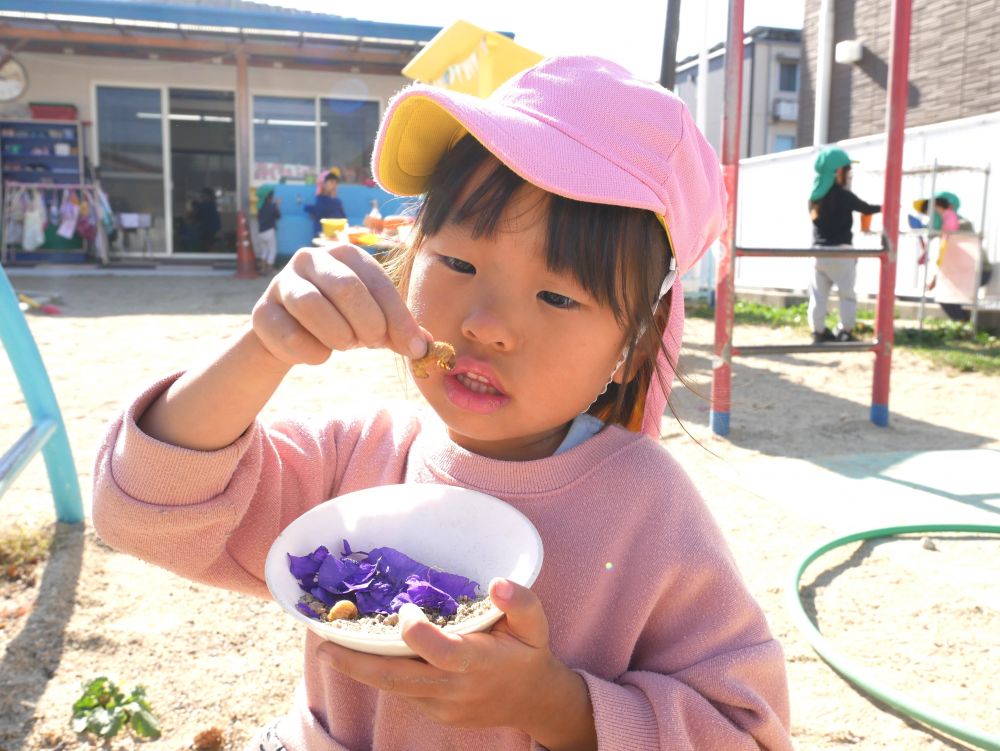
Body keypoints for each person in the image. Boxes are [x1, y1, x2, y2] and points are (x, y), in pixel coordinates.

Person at [92, 57, 792, 751]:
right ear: (410, 256)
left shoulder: (648, 508)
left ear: (632, 349)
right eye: (458, 263)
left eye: (557, 295)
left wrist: (554, 703)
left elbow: (749, 731)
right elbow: (143, 513)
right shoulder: (355, 457)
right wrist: (262, 348)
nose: (486, 322)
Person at [808, 147, 881, 343]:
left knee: (818, 295)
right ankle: (845, 331)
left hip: (818, 252)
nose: (849, 175)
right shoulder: (844, 196)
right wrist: (886, 207)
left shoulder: (815, 198)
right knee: (847, 294)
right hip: (841, 252)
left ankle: (818, 331)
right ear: (837, 172)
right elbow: (866, 208)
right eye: (847, 170)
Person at [915, 192, 993, 322]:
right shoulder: (944, 231)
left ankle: (963, 324)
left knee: (947, 293)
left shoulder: (962, 226)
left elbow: (960, 255)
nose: (930, 215)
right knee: (944, 295)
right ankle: (962, 324)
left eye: (932, 209)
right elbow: (945, 259)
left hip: (977, 271)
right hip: (958, 273)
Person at [304, 168, 347, 236]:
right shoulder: (322, 200)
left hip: (336, 238)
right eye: (331, 182)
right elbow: (321, 209)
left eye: (336, 183)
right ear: (323, 184)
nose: (335, 185)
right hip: (322, 238)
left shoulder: (337, 202)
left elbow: (344, 219)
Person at [256, 187, 281, 272]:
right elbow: (278, 216)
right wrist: (277, 205)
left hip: (261, 232)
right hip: (269, 231)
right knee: (272, 250)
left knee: (264, 251)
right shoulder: (272, 206)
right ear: (270, 197)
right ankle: (270, 268)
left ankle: (263, 268)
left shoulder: (260, 207)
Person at [194, 187, 222, 252]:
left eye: (203, 195)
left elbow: (197, 216)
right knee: (207, 245)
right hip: (208, 229)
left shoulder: (206, 205)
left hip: (208, 229)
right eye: (202, 195)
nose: (202, 197)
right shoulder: (211, 205)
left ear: (209, 196)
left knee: (206, 245)